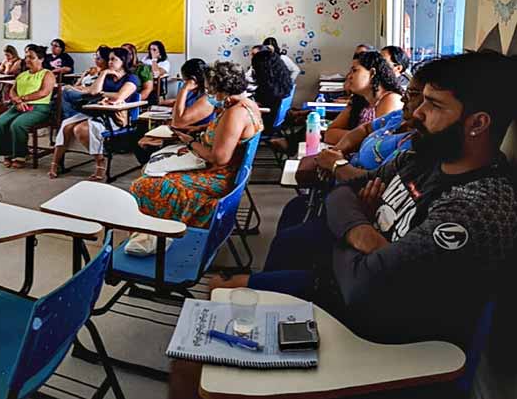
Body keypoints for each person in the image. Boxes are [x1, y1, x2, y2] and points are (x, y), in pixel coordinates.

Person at [212, 52, 517, 353]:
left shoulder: (478, 206)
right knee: (218, 294)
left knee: (214, 324)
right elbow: (343, 192)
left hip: (382, 340)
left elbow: (363, 286)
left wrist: (348, 232)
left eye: (434, 105)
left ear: (477, 123)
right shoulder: (422, 157)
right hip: (336, 290)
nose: (417, 113)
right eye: (420, 99)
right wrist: (362, 231)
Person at [130, 61, 262, 226]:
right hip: (228, 172)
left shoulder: (235, 113)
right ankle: (159, 227)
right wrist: (202, 128)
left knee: (143, 185)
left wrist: (190, 142)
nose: (209, 94)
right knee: (155, 168)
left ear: (220, 88)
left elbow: (219, 158)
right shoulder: (248, 105)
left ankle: (161, 230)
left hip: (218, 177)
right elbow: (229, 133)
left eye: (209, 89)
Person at [302, 70, 426, 185]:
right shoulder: (399, 116)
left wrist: (336, 165)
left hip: (351, 188)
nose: (403, 98)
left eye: (412, 94)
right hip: (345, 170)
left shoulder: (414, 143)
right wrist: (335, 153)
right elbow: (364, 129)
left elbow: (376, 181)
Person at [50, 47, 140, 181]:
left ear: (123, 61)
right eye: (109, 59)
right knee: (66, 125)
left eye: (113, 59)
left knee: (80, 129)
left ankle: (100, 162)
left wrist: (103, 94)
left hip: (115, 116)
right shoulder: (107, 75)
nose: (109, 62)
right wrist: (103, 74)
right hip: (95, 111)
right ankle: (55, 164)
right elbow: (93, 92)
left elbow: (119, 97)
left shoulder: (132, 78)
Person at [135, 58, 216, 163]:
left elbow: (177, 122)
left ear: (192, 80)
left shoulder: (206, 99)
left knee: (145, 145)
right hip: (183, 132)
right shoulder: (193, 92)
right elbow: (177, 110)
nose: (183, 82)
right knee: (141, 139)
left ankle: (155, 170)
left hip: (194, 137)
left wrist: (184, 89)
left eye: (184, 80)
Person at [0, 44, 56, 169]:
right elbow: (12, 90)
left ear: (41, 59)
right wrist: (17, 100)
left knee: (17, 124)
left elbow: (44, 92)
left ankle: (21, 155)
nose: (27, 60)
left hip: (39, 108)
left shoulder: (47, 74)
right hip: (18, 105)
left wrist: (23, 99)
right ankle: (7, 154)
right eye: (26, 57)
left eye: (31, 57)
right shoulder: (22, 75)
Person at [324, 51, 403, 145]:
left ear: (372, 73)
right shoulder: (360, 100)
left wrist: (351, 138)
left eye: (355, 70)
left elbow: (377, 142)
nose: (349, 76)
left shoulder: (391, 99)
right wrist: (358, 137)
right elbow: (329, 134)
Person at [60, 45, 110, 119]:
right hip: (80, 91)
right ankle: (69, 117)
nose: (96, 59)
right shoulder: (92, 70)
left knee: (64, 92)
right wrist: (84, 74)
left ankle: (71, 117)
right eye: (95, 56)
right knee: (60, 93)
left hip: (89, 95)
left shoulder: (104, 73)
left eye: (99, 58)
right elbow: (77, 84)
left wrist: (76, 88)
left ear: (106, 59)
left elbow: (91, 89)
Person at [251, 50, 293, 134]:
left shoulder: (269, 88)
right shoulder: (282, 82)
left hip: (266, 123)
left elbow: (263, 105)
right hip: (275, 122)